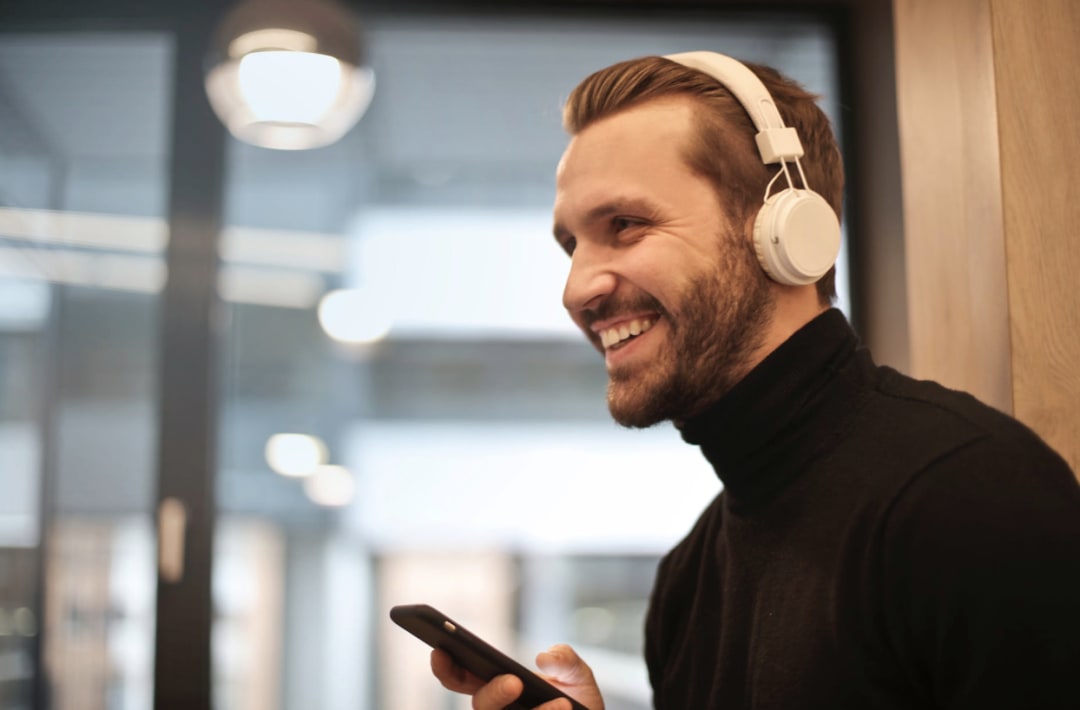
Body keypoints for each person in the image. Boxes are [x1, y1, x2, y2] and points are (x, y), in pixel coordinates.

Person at [429, 51, 1080, 709]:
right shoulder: (688, 583)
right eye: (573, 245)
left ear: (785, 228)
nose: (577, 290)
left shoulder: (967, 495)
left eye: (624, 225)